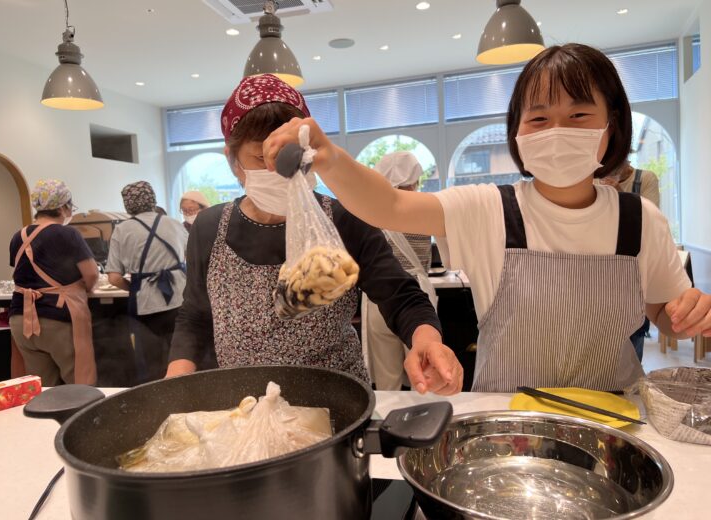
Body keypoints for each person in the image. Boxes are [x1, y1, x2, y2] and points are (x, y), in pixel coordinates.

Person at [263, 44, 711, 393]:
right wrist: (330, 157)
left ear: (610, 126)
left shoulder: (641, 220)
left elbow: (664, 314)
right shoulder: (491, 208)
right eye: (539, 118)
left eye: (578, 114)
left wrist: (690, 315)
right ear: (516, 130)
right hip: (507, 420)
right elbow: (391, 207)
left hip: (612, 420)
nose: (557, 131)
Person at [166, 74, 462, 396]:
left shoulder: (344, 218)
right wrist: (177, 381)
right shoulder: (209, 228)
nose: (278, 170)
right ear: (232, 160)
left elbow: (401, 296)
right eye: (260, 158)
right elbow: (194, 314)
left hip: (336, 399)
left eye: (287, 156)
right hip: (245, 404)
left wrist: (427, 341)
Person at [8, 179, 98, 386]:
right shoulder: (68, 234)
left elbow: (23, 273)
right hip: (58, 318)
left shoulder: (18, 236)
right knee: (76, 385)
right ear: (63, 206)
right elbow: (91, 274)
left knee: (42, 386)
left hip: (21, 319)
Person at [362, 151, 436, 390]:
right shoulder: (424, 208)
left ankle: (387, 424)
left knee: (387, 379)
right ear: (413, 180)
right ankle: (425, 422)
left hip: (379, 299)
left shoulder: (370, 212)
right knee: (425, 374)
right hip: (417, 298)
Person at [106, 181, 188, 383]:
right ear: (153, 200)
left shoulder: (122, 230)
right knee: (181, 354)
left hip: (144, 306)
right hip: (179, 299)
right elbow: (192, 259)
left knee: (150, 362)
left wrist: (135, 287)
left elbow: (114, 277)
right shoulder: (174, 223)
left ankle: (155, 401)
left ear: (128, 205)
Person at [601, 160, 662, 361]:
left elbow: (651, 224)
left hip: (633, 271)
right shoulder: (595, 180)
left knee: (632, 337)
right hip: (601, 270)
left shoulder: (644, 179)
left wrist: (621, 195)